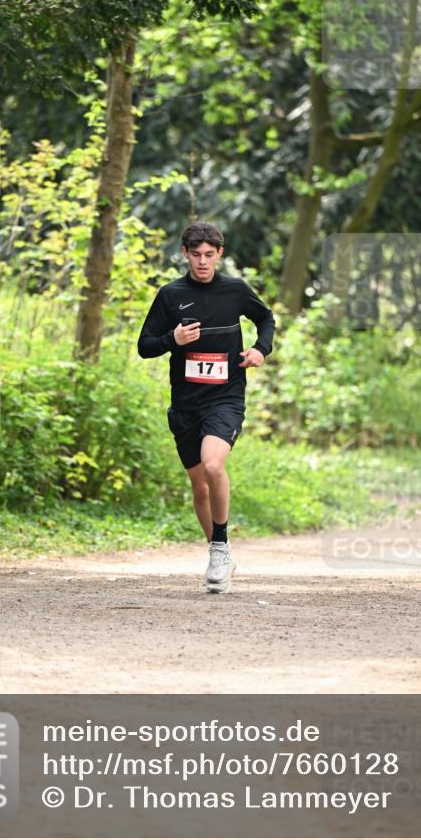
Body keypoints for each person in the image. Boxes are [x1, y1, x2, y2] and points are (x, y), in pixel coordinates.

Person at [137, 221, 275, 593]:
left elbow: (265, 317)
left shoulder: (234, 290)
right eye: (195, 255)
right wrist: (173, 338)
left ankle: (218, 546)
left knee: (214, 464)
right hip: (185, 403)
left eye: (209, 255)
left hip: (226, 395)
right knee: (199, 487)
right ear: (184, 254)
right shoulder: (170, 294)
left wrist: (260, 349)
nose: (202, 262)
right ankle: (222, 551)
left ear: (219, 255)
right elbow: (145, 345)